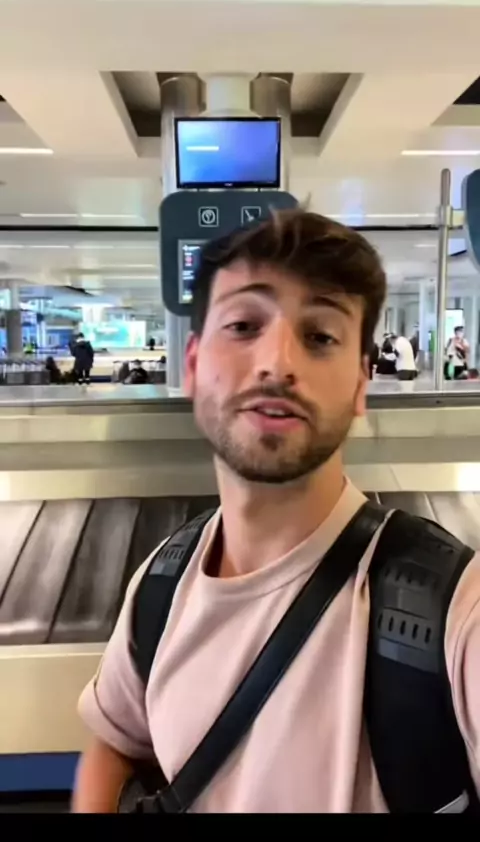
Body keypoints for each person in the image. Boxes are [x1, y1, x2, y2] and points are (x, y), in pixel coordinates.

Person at [72, 210, 480, 814]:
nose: (277, 363)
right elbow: (115, 741)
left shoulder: (453, 612)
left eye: (320, 336)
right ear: (192, 366)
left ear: (361, 384)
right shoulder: (164, 581)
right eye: (243, 325)